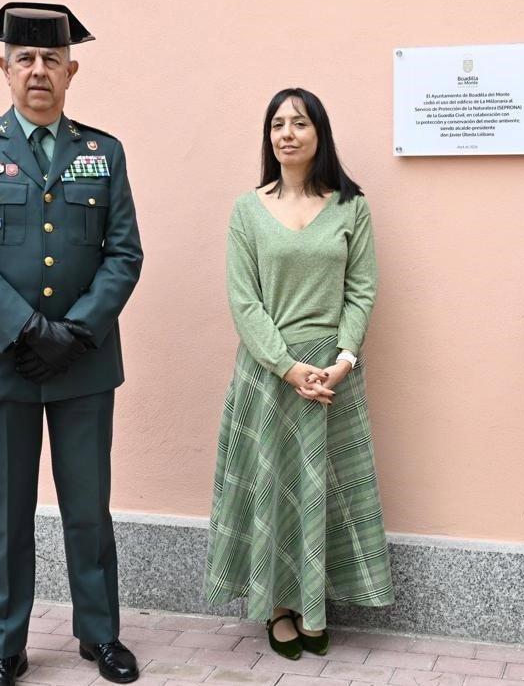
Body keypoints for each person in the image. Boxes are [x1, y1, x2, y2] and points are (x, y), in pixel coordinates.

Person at [0, 3, 144, 686]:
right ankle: (5, 647)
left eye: (51, 60)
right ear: (4, 69)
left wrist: (76, 332)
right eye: (24, 58)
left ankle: (100, 636)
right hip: (0, 364)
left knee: (89, 510)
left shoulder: (102, 152)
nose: (38, 71)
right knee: (5, 516)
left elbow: (124, 255)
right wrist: (27, 331)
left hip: (82, 365)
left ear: (71, 70)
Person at [205, 87, 392, 660]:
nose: (287, 133)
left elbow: (361, 291)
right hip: (270, 374)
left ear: (319, 134)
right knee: (276, 491)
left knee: (321, 493)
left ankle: (318, 603)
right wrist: (287, 368)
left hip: (333, 376)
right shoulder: (247, 209)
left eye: (300, 123)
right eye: (278, 124)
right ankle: (279, 607)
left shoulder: (350, 206)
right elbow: (244, 301)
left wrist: (342, 360)